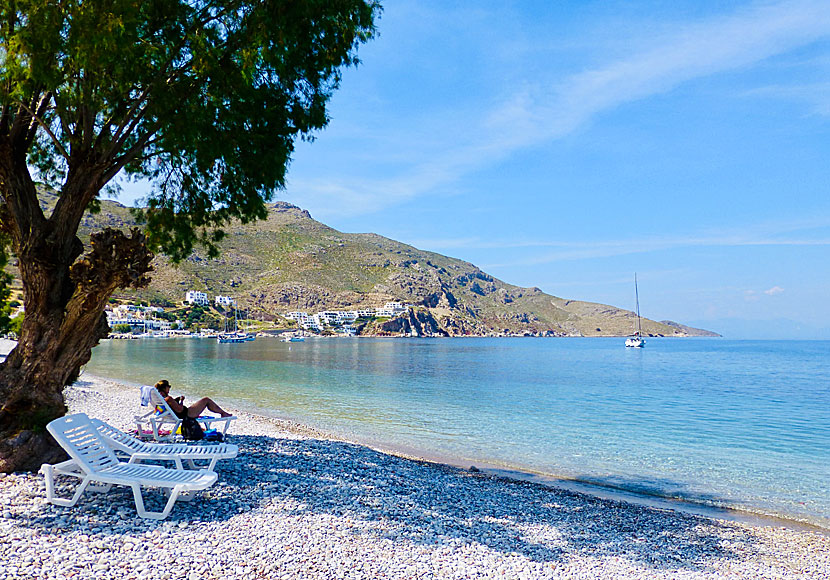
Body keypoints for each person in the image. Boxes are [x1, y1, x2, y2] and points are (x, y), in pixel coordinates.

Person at [154, 379, 233, 419]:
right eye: (169, 387)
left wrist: (176, 400)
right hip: (187, 414)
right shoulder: (168, 398)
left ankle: (223, 413)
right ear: (164, 388)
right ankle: (223, 413)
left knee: (205, 400)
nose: (169, 389)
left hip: (182, 414)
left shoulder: (160, 399)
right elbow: (179, 410)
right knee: (206, 400)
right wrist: (181, 401)